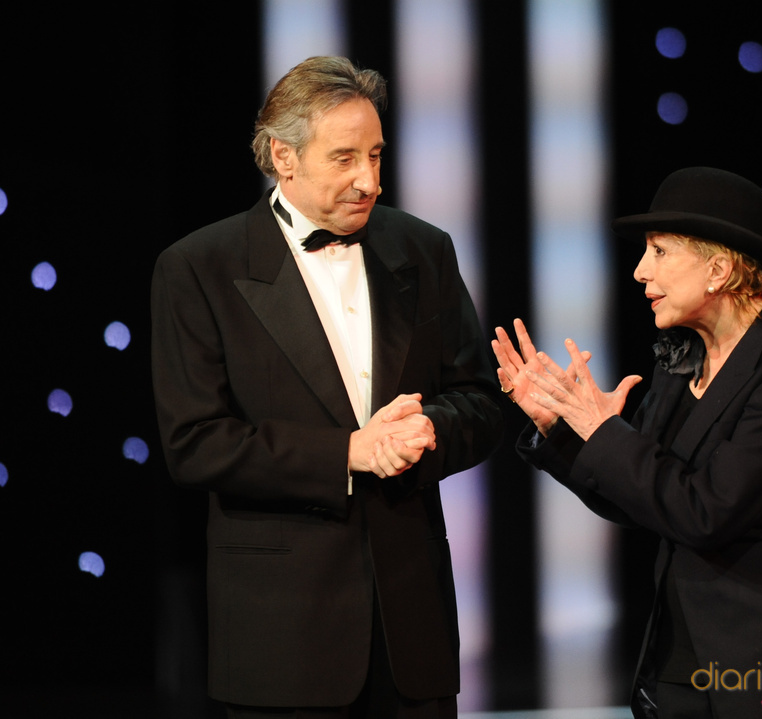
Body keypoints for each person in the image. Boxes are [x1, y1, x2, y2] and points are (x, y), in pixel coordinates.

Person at [151, 56, 502, 718]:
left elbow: (479, 401)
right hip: (282, 642)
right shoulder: (198, 267)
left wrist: (433, 427)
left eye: (376, 154)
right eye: (345, 158)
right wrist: (347, 452)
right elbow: (194, 443)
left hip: (412, 638)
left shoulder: (424, 249)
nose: (369, 179)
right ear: (283, 157)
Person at [493, 167, 762, 718]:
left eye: (659, 252)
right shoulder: (683, 356)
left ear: (719, 269)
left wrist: (603, 433)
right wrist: (561, 429)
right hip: (679, 667)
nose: (640, 271)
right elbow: (647, 497)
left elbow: (704, 511)